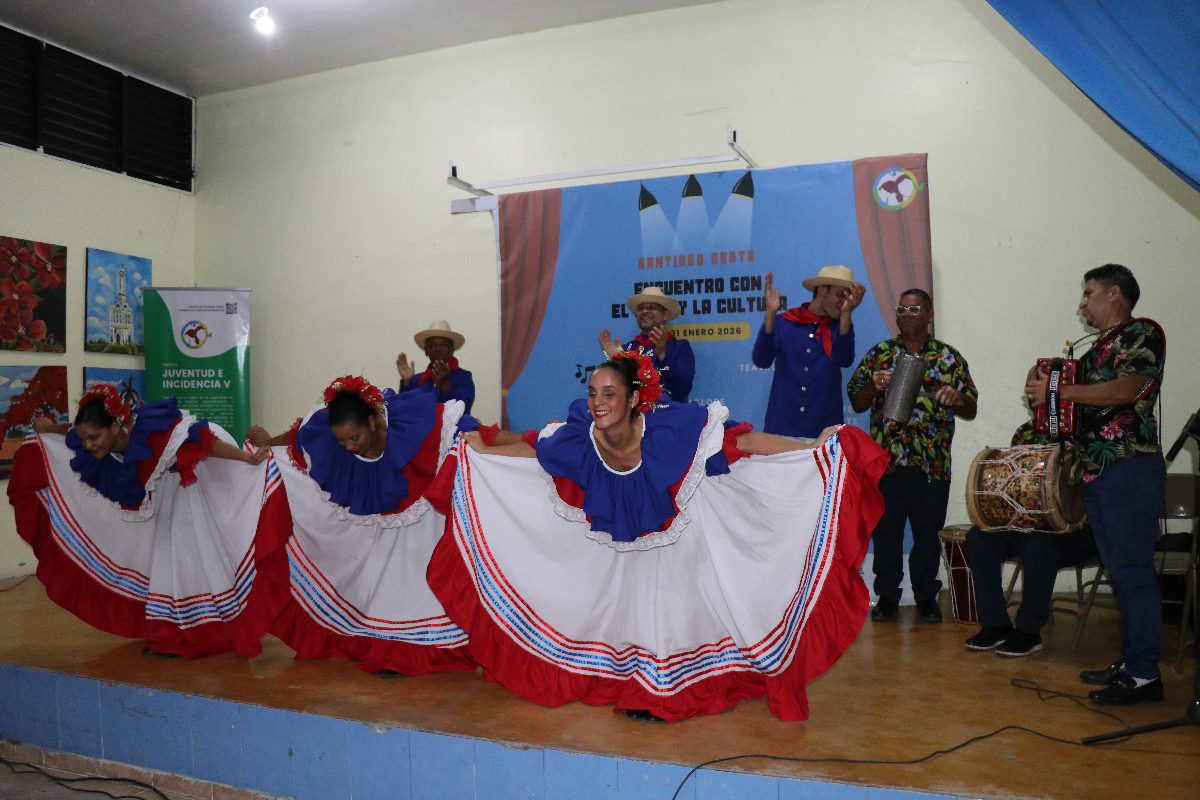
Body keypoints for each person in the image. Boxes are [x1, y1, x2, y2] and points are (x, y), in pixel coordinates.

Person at [426, 350, 889, 722]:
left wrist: (811, 447)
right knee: (629, 608)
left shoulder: (671, 429)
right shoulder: (580, 437)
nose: (598, 402)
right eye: (592, 393)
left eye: (610, 393)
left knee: (670, 608)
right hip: (626, 546)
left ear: (633, 399)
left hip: (685, 535)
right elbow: (536, 450)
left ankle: (666, 688)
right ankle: (642, 682)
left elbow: (742, 443)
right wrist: (483, 451)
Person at [247, 369, 506, 676]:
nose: (349, 446)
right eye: (342, 441)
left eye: (355, 438)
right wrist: (266, 443)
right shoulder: (332, 437)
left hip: (424, 534)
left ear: (372, 422)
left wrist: (530, 443)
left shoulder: (417, 424)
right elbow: (298, 440)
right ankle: (384, 642)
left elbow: (475, 434)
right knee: (383, 589)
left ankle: (425, 647)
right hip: (379, 540)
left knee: (419, 593)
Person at [8, 385, 289, 659]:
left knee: (194, 548)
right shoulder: (99, 434)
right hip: (171, 479)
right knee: (170, 550)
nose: (88, 445)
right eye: (85, 439)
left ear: (116, 427)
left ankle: (207, 625)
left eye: (93, 438)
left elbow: (206, 445)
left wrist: (248, 458)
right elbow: (74, 431)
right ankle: (178, 624)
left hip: (202, 467)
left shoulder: (154, 435)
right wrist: (48, 428)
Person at [1026, 264, 1166, 704]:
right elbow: (1068, 413)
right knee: (1121, 573)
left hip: (1129, 466)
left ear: (1115, 294)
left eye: (1089, 293)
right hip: (1097, 471)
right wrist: (1040, 392)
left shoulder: (1143, 332)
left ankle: (1145, 676)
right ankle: (1134, 660)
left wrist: (1059, 393)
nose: (1082, 303)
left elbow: (1130, 388)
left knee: (1133, 572)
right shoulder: (1092, 351)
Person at [847, 289, 978, 624]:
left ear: (929, 315)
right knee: (886, 533)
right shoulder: (880, 354)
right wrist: (873, 386)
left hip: (932, 464)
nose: (906, 314)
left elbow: (971, 408)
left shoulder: (949, 357)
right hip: (886, 464)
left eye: (914, 309)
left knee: (927, 535)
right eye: (901, 308)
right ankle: (887, 597)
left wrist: (957, 398)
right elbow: (858, 402)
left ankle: (926, 597)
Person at [963, 421, 1098, 656]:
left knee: (1038, 544)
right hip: (1030, 526)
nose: (1033, 399)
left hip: (1081, 530)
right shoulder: (1026, 432)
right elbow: (1017, 485)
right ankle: (995, 624)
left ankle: (1029, 630)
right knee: (979, 537)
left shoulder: (1087, 430)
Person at [752, 265, 866, 440]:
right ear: (822, 291)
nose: (844, 302)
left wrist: (847, 314)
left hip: (824, 430)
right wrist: (770, 313)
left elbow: (844, 359)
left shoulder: (841, 328)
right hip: (782, 429)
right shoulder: (786, 322)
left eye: (848, 297)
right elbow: (761, 360)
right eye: (840, 295)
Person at [599, 286, 695, 403]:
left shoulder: (680, 347)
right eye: (641, 308)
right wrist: (617, 361)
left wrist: (663, 356)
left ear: (665, 315)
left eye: (652, 307)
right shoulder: (627, 349)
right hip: (635, 412)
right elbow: (620, 392)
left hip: (669, 411)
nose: (644, 311)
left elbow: (683, 389)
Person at [398, 319, 475, 413]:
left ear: (452, 349)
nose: (438, 348)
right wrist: (406, 382)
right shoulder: (416, 380)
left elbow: (463, 409)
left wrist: (445, 385)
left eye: (443, 344)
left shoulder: (463, 377)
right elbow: (403, 411)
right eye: (433, 345)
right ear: (426, 351)